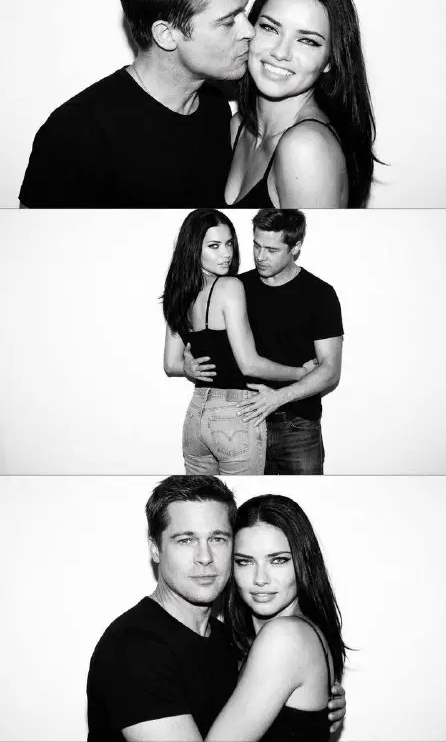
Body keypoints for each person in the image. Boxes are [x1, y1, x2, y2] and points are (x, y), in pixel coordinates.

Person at [87, 475, 346, 741]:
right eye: (186, 540)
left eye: (218, 539)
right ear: (155, 549)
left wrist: (307, 704)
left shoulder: (230, 641)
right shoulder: (134, 647)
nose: (205, 557)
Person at [19, 0, 253, 208]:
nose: (249, 31)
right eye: (228, 21)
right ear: (166, 35)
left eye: (244, 12)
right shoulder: (74, 134)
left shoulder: (215, 108)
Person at [184, 209, 344, 475]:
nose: (259, 256)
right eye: (256, 246)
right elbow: (209, 340)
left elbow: (330, 370)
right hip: (242, 422)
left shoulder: (319, 294)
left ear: (296, 247)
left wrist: (278, 398)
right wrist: (188, 365)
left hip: (298, 424)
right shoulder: (235, 285)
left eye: (271, 249)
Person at [224, 0, 378, 208]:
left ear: (330, 60)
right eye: (270, 28)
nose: (280, 52)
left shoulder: (306, 148)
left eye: (307, 41)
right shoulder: (238, 127)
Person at [206, 492, 346, 741]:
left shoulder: (285, 638)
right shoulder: (258, 642)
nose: (260, 579)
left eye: (278, 560)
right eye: (245, 562)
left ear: (303, 563)